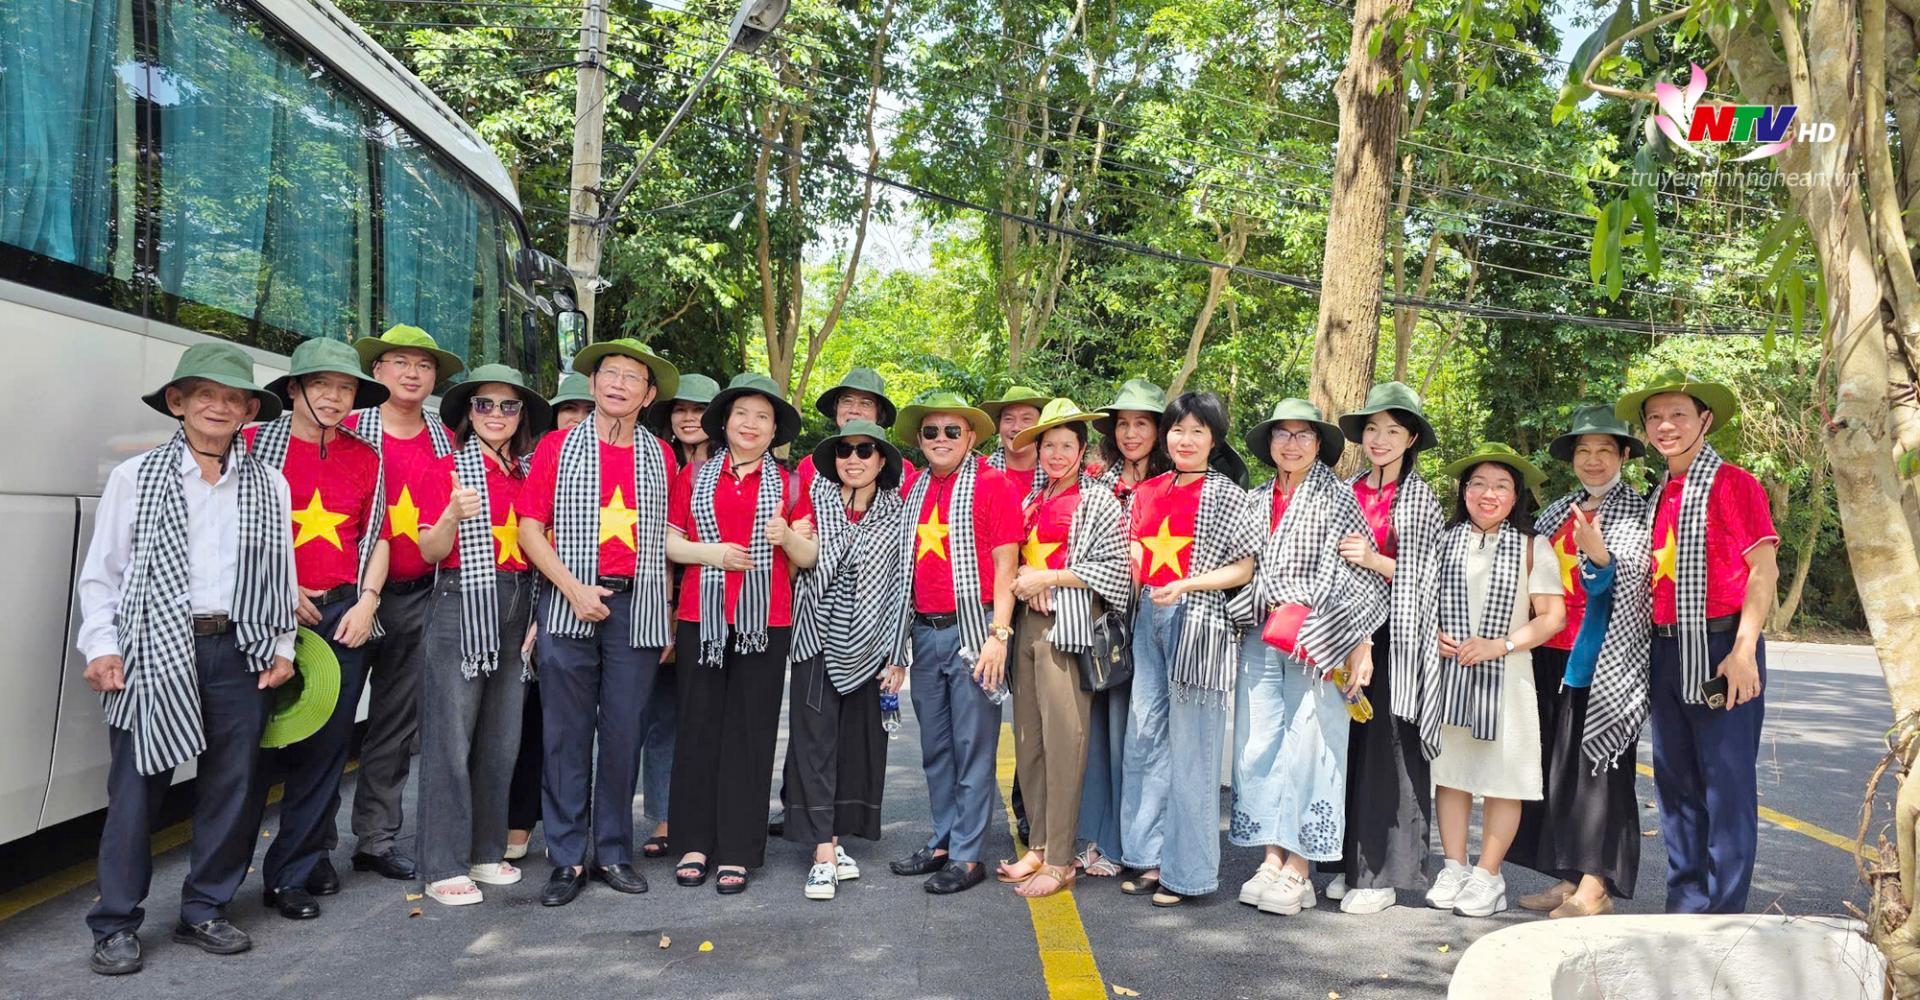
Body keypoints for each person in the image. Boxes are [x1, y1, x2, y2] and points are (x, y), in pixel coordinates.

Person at [79, 344, 298, 975]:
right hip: (152, 647)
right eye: (205, 394)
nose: (219, 406)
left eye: (234, 398)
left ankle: (205, 908)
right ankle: (115, 922)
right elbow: (104, 575)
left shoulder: (269, 483)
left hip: (240, 646)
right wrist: (103, 647)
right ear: (178, 403)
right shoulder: (136, 477)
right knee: (135, 789)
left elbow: (278, 572)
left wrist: (281, 647)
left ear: (249, 412)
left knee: (233, 786)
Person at [517, 338, 681, 906]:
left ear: (648, 393)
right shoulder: (557, 446)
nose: (617, 384)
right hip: (569, 600)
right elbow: (529, 529)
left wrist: (663, 615)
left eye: (631, 378)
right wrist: (571, 588)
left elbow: (666, 541)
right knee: (564, 734)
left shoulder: (661, 455)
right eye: (608, 374)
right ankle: (565, 858)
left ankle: (613, 850)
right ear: (592, 385)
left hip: (637, 608)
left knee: (623, 732)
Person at [1616, 371, 1777, 914]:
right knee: (1676, 787)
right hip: (1666, 651)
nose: (1666, 425)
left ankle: (1724, 913)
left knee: (1726, 789)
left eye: (1679, 414)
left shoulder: (1734, 483)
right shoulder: (1659, 490)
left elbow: (1763, 571)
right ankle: (1685, 906)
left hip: (1721, 648)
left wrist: (1744, 650)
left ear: (1704, 420)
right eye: (1655, 417)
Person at [243, 339, 391, 921]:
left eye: (346, 387)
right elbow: (230, 536)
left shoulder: (366, 456)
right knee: (250, 752)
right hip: (264, 615)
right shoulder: (252, 445)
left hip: (342, 614)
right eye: (321, 384)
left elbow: (376, 535)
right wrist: (277, 590)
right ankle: (218, 885)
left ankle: (293, 874)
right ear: (293, 389)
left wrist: (367, 602)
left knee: (325, 751)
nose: (334, 397)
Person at [1231, 400, 1389, 916]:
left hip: (1318, 635)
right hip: (1260, 630)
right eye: (1283, 434)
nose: (1292, 444)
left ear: (1319, 445)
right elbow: (1241, 568)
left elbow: (1362, 577)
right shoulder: (1255, 500)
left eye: (1303, 436)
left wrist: (1357, 640)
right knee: (1260, 743)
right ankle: (1271, 857)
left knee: (1313, 746)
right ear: (1270, 442)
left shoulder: (1338, 500)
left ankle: (1300, 868)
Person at [662, 373, 813, 895]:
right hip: (699, 619)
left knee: (749, 735)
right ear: (724, 423)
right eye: (741, 414)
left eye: (763, 417)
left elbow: (810, 555)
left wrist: (787, 536)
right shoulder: (694, 476)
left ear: (775, 432)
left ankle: (739, 849)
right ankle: (696, 842)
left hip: (764, 623)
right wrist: (714, 554)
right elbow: (669, 544)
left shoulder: (794, 484)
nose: (750, 425)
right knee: (698, 729)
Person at [410, 366, 551, 905]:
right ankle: (442, 862)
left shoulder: (526, 474)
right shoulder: (443, 468)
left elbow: (541, 540)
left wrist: (539, 611)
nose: (496, 414)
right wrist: (450, 513)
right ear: (469, 413)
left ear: (520, 419)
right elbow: (429, 550)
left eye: (508, 406)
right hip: (460, 600)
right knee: (451, 736)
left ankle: (485, 850)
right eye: (484, 404)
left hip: (518, 601)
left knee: (501, 736)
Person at [1118, 391, 1261, 907]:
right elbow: (1135, 552)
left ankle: (1188, 873)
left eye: (1198, 431)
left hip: (1199, 621)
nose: (1185, 439)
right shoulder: (1149, 489)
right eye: (1178, 429)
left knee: (1193, 751)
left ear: (1214, 439)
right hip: (1148, 621)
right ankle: (1149, 856)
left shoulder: (1228, 495)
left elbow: (1244, 568)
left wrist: (1188, 585)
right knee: (1146, 739)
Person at [1509, 405, 1652, 918]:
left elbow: (1636, 582)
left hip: (1601, 660)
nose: (1592, 461)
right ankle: (1568, 878)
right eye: (1583, 451)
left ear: (1624, 456)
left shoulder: (1637, 512)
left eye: (1604, 451)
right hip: (1548, 654)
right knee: (1559, 770)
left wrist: (1600, 556)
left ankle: (1596, 886)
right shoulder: (1559, 510)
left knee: (1600, 775)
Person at [337, 324, 464, 888]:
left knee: (394, 724)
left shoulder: (445, 438)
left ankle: (376, 838)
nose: (412, 374)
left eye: (424, 365)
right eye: (400, 362)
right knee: (329, 723)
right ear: (377, 370)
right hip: (348, 598)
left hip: (419, 598)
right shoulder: (349, 428)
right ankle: (311, 847)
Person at [883, 390, 1023, 895]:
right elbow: (904, 570)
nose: (939, 440)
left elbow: (1007, 566)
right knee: (936, 747)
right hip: (924, 631)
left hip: (974, 630)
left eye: (951, 431)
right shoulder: (915, 489)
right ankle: (941, 840)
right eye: (930, 432)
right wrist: (898, 650)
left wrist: (998, 636)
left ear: (969, 437)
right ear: (919, 440)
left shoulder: (993, 485)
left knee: (973, 746)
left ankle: (967, 855)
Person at [1425, 444, 1566, 918]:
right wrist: (1434, 634)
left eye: (1501, 486)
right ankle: (1454, 867)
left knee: (1504, 779)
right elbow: (1416, 597)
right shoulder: (1441, 541)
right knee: (1451, 775)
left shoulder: (1533, 547)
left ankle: (1488, 875)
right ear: (1464, 492)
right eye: (1479, 484)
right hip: (1449, 676)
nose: (1489, 494)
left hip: (1508, 676)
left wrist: (1501, 644)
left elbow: (1552, 617)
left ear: (1515, 496)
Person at [998, 400, 1131, 898]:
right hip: (1027, 627)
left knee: (1064, 741)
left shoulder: (1097, 500)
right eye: (1048, 445)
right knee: (1029, 739)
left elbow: (1116, 570)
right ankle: (1037, 842)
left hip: (1067, 628)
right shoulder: (1034, 495)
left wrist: (1050, 577)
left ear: (1082, 449)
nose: (1055, 454)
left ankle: (1060, 859)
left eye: (1066, 445)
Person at [1326, 381, 1445, 914]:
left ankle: (1382, 874)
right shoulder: (1345, 488)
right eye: (1371, 429)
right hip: (1344, 632)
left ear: (1411, 437)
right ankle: (1351, 861)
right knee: (1345, 749)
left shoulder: (1420, 499)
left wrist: (1375, 561)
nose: (1379, 439)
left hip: (1399, 642)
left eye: (1392, 431)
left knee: (1388, 753)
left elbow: (1432, 579)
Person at [780, 419, 910, 900]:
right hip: (815, 639)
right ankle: (822, 853)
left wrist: (898, 656)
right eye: (844, 451)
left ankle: (835, 840)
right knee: (814, 748)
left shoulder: (899, 514)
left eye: (864, 451)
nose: (852, 459)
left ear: (881, 461)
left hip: (874, 645)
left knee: (858, 749)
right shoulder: (815, 506)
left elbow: (903, 589)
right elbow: (799, 566)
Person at [1076, 378, 1171, 878]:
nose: (1131, 433)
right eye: (1123, 423)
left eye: (1142, 423)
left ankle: (1144, 843)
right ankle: (1101, 838)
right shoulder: (1095, 481)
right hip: (1101, 623)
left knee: (1144, 738)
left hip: (1157, 623)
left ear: (1160, 429)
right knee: (1101, 734)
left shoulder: (1178, 478)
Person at [505, 373, 594, 861]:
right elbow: (531, 533)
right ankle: (514, 823)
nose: (579, 420)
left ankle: (562, 832)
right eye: (569, 412)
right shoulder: (539, 461)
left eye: (587, 411)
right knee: (522, 724)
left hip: (566, 609)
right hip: (531, 603)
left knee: (564, 727)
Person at [637, 372, 718, 860]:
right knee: (663, 715)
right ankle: (666, 815)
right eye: (680, 409)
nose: (688, 417)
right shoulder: (659, 461)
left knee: (711, 715)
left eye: (698, 409)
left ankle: (709, 813)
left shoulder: (737, 464)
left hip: (719, 603)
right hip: (661, 602)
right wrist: (664, 610)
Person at [795, 367, 918, 495]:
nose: (854, 409)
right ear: (836, 408)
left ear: (879, 413)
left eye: (865, 403)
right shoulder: (809, 467)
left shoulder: (905, 471)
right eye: (847, 401)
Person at [980, 385, 1051, 497]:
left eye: (1026, 419)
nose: (1016, 428)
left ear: (1041, 426)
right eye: (1008, 419)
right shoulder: (977, 472)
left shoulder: (1059, 472)